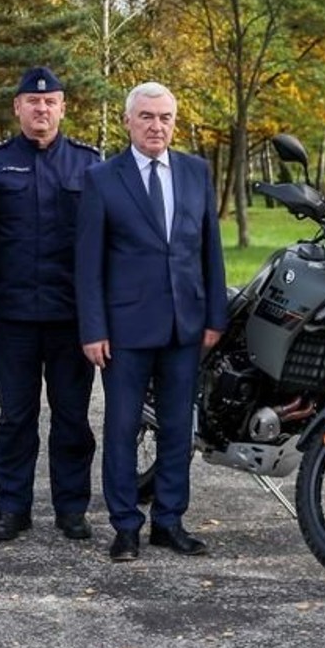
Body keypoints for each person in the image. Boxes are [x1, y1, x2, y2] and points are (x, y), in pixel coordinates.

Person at [74, 82, 227, 562]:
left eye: (164, 117)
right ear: (128, 122)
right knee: (122, 428)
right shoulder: (102, 178)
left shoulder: (195, 171)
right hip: (124, 331)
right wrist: (93, 329)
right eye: (146, 116)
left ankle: (169, 521)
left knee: (178, 428)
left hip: (185, 326)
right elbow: (88, 263)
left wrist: (214, 317)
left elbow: (210, 251)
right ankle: (125, 527)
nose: (156, 125)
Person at [0, 67, 103, 543]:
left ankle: (71, 509)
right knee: (15, 418)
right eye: (32, 102)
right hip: (15, 317)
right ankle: (13, 508)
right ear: (18, 108)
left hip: (71, 319)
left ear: (63, 108)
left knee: (72, 418)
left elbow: (105, 242)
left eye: (50, 103)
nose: (41, 109)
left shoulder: (90, 166)